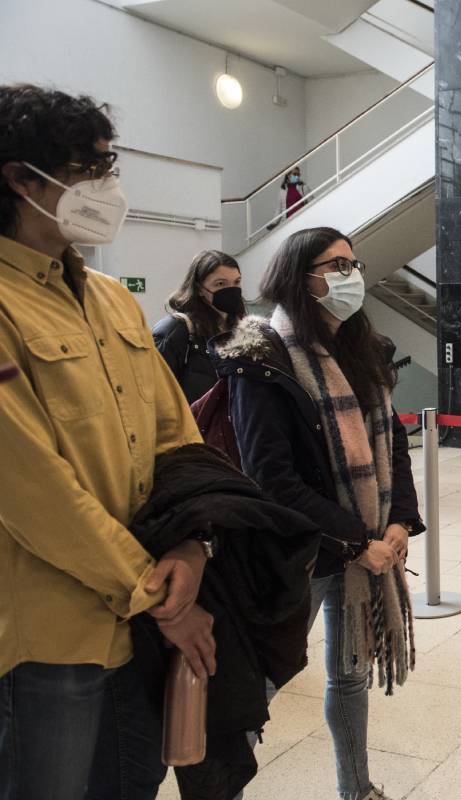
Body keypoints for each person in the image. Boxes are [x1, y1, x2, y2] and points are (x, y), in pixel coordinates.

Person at [0, 84, 215, 800]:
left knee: (130, 785)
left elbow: (174, 434)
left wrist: (190, 546)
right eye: (91, 167)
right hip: (52, 636)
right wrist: (160, 592)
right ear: (22, 179)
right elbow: (33, 489)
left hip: (147, 616)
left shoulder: (112, 297)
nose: (108, 184)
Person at [214, 226, 424, 800]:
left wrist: (401, 520)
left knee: (351, 674)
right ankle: (218, 786)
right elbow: (271, 478)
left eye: (353, 264)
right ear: (299, 277)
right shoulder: (261, 356)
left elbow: (395, 443)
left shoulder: (365, 348)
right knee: (262, 682)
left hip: (367, 544)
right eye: (334, 266)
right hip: (302, 549)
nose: (349, 276)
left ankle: (356, 788)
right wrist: (357, 541)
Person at [153, 249, 245, 403]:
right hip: (193, 424)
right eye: (220, 283)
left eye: (236, 282)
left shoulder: (242, 328)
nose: (231, 290)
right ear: (200, 289)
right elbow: (156, 395)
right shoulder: (176, 330)